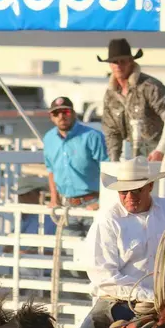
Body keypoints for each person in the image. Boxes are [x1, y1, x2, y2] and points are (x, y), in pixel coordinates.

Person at [76, 156, 165, 328]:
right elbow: (103, 276)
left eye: (136, 191)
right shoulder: (109, 220)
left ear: (149, 187)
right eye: (124, 192)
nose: (129, 197)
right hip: (119, 301)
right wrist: (150, 296)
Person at [29, 96, 108, 235]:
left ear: (73, 113)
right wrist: (54, 198)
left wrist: (102, 202)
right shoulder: (49, 138)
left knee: (97, 252)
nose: (61, 116)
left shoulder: (93, 136)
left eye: (65, 112)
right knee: (70, 252)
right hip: (67, 206)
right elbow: (51, 170)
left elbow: (107, 169)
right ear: (51, 117)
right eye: (56, 113)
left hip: (93, 202)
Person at [100, 38, 165, 162]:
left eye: (123, 61)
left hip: (160, 159)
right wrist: (114, 162)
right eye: (114, 62)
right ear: (110, 65)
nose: (118, 65)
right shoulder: (110, 96)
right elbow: (111, 132)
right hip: (133, 160)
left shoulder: (150, 86)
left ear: (131, 62)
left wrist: (160, 150)